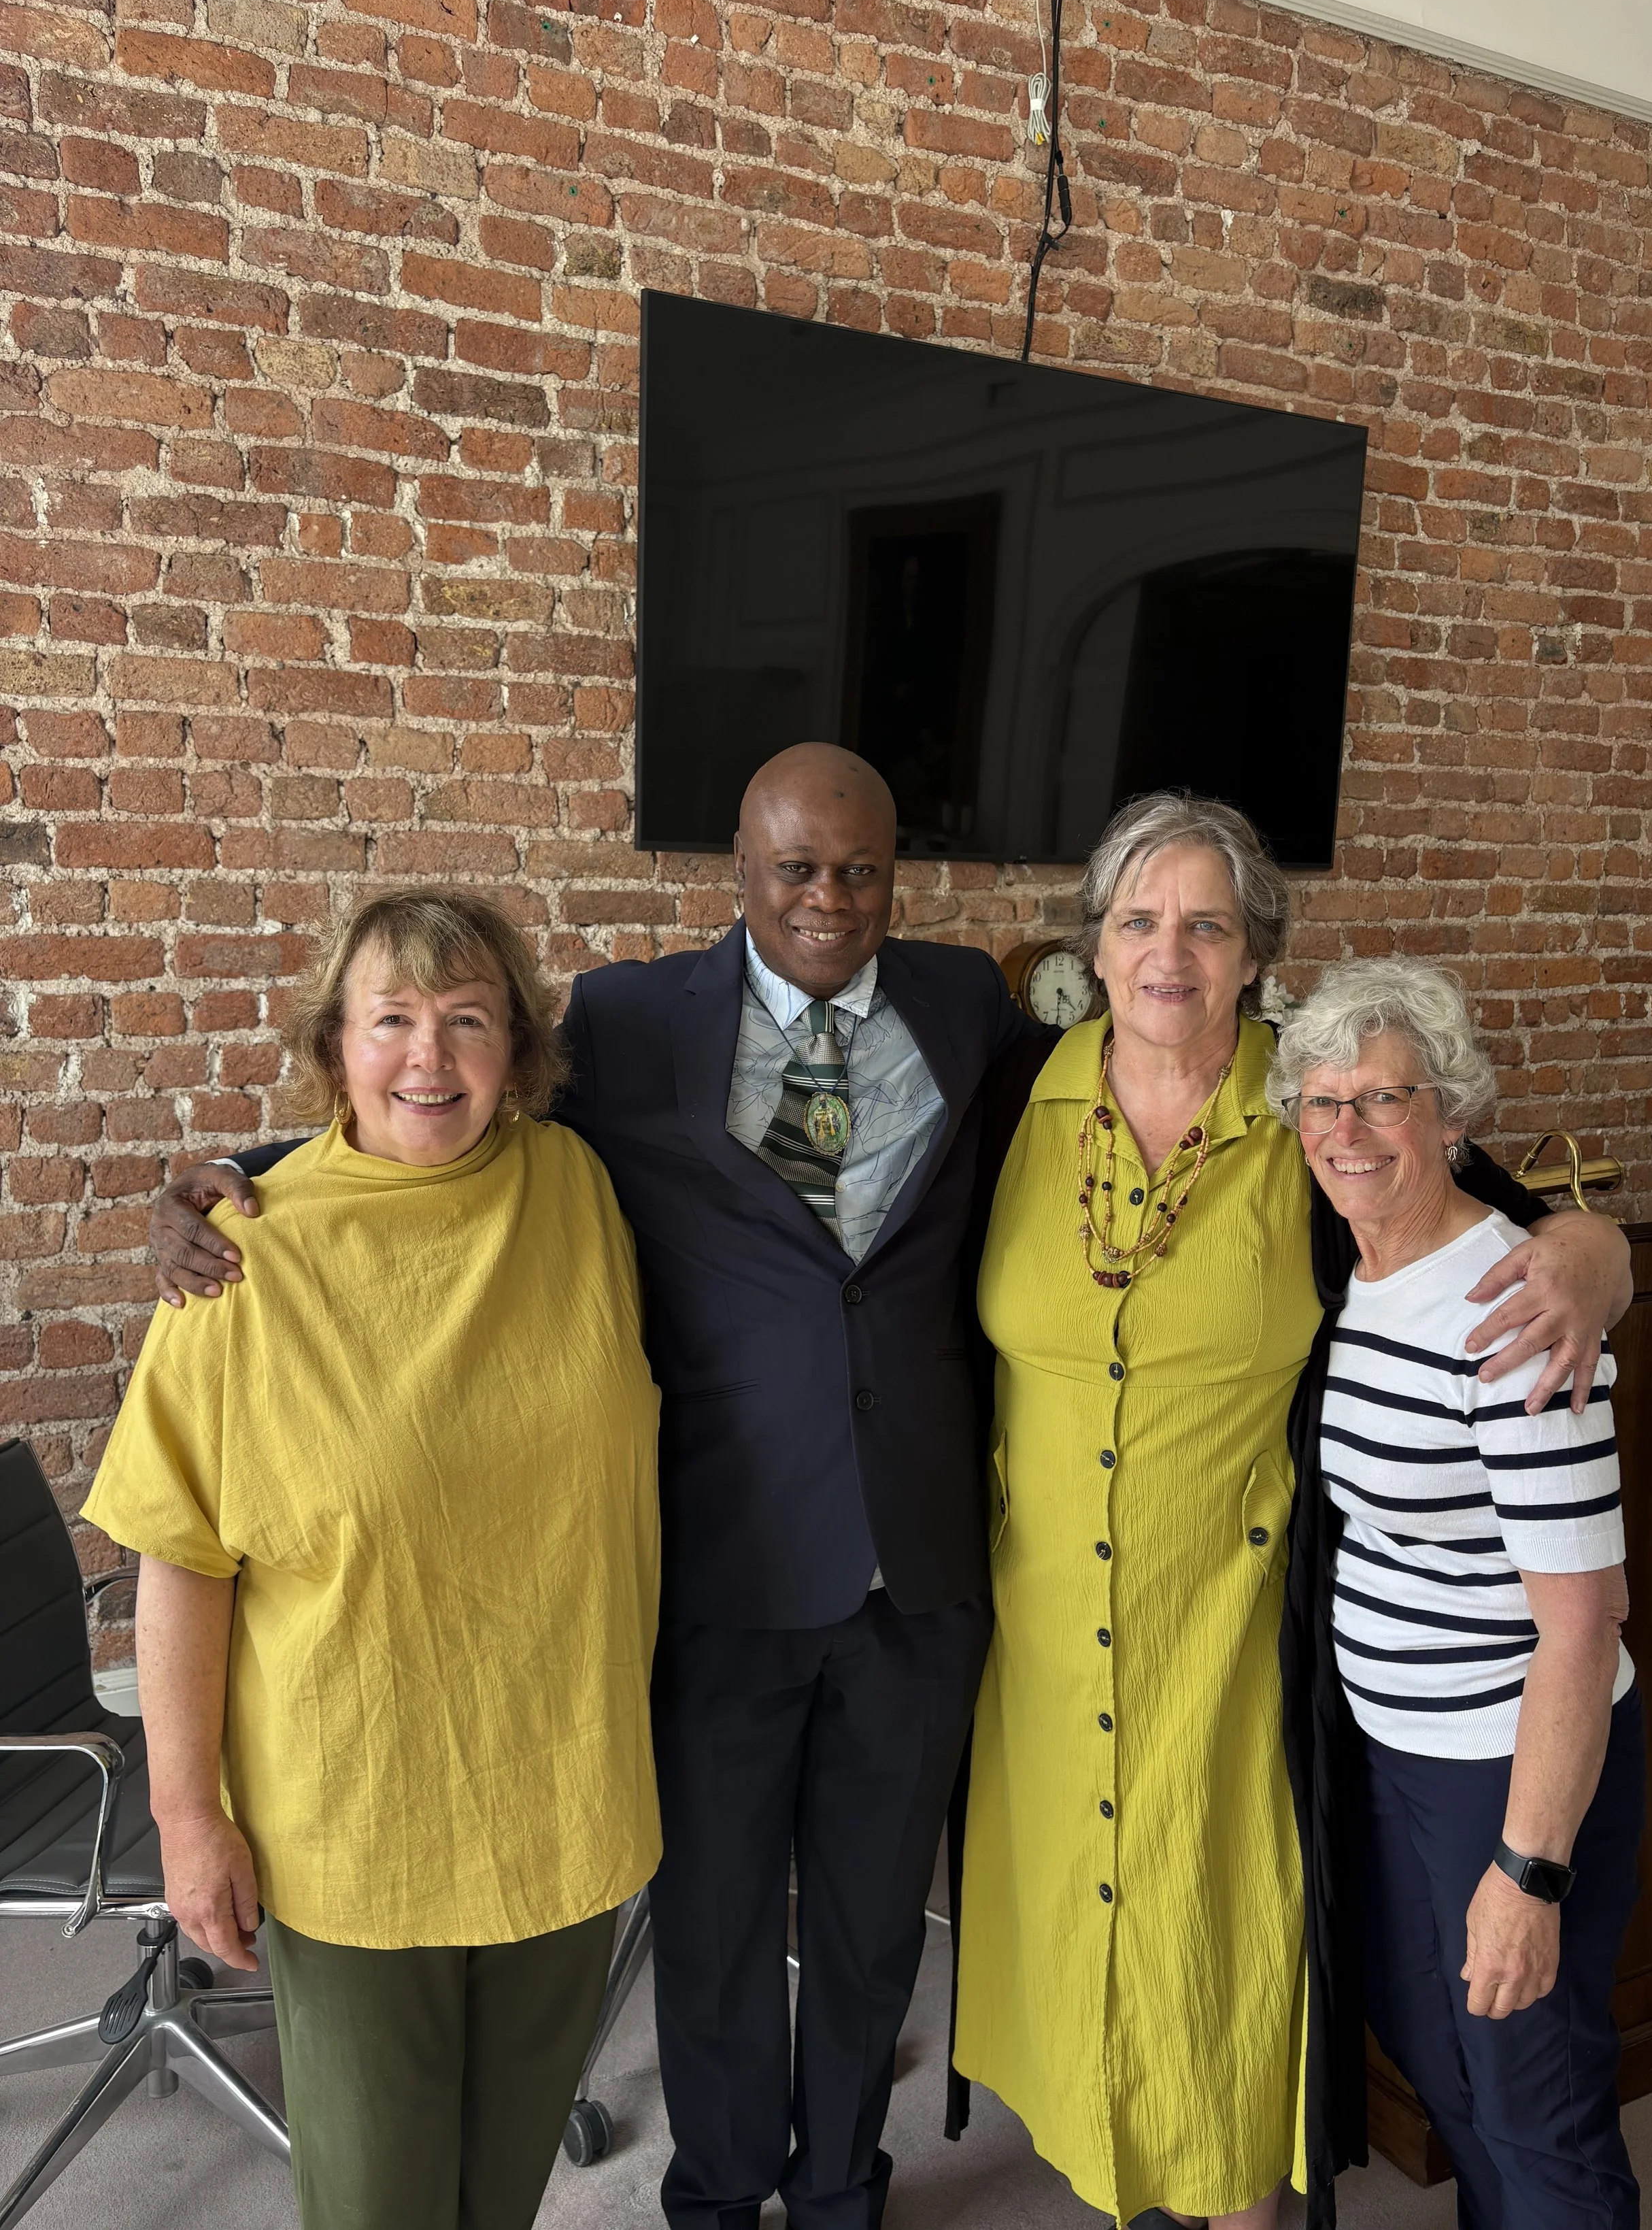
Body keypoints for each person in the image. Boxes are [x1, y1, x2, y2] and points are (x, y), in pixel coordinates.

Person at [146, 746, 1026, 2230]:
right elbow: (438, 1101)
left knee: (876, 1928)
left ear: (897, 876)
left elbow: (1121, 1100)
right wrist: (234, 1179)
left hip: (912, 1561)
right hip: (721, 1566)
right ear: (737, 871)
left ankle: (841, 2193)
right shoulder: (633, 1018)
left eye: (860, 870)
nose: (827, 898)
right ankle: (716, 2195)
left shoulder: (967, 1006)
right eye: (795, 868)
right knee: (714, 1933)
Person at [953, 793, 1632, 2230]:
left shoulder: (1314, 1104)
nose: (1169, 954)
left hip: (1247, 1642)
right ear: (1094, 943)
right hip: (1045, 1636)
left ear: (1256, 954)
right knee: (1087, 1955)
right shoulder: (1010, 1094)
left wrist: (1595, 1251)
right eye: (1138, 920)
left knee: (1231, 1965)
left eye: (1207, 924)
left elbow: (1498, 1223)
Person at [87, 887, 662, 2230]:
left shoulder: (576, 1191)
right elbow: (180, 1556)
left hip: (564, 1790)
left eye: (469, 1020)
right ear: (333, 1047)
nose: (429, 1056)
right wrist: (187, 1818)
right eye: (391, 1019)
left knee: (501, 2186)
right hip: (354, 1817)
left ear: (517, 1048)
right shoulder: (236, 1257)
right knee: (379, 2200)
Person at [1270, 959, 1641, 2230]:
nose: (1348, 1130)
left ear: (1454, 1113)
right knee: (1438, 2052)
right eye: (1322, 1103)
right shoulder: (1355, 1266)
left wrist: (1526, 1873)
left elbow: (1583, 1623)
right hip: (1390, 1748)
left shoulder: (1513, 1312)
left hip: (1504, 1760)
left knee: (1536, 2102)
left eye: (1385, 1098)